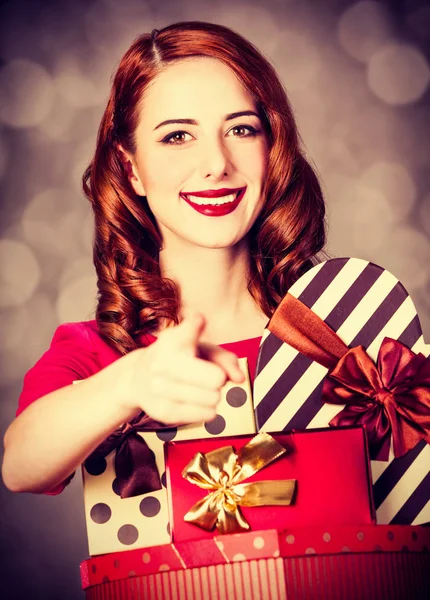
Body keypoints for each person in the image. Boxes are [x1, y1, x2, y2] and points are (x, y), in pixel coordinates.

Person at [2, 21, 325, 496]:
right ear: (131, 169)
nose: (217, 163)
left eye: (241, 129)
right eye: (177, 136)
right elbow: (21, 466)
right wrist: (129, 382)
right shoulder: (98, 352)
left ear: (271, 146)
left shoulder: (341, 323)